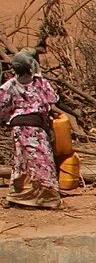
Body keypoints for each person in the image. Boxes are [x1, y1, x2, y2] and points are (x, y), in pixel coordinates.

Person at [0, 50, 63, 210]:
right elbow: (53, 99)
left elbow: (2, 107)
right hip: (35, 128)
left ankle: (16, 197)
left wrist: (9, 118)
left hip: (18, 128)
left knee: (21, 162)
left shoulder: (9, 85)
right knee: (43, 161)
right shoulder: (40, 82)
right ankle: (48, 199)